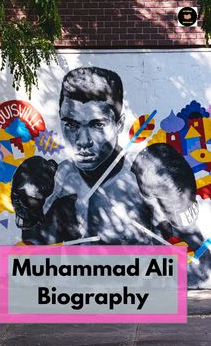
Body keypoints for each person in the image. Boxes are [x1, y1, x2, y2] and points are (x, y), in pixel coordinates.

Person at [11, 67, 198, 246]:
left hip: (138, 278)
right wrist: (28, 209)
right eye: (71, 125)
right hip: (74, 277)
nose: (83, 141)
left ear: (119, 124)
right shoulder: (56, 179)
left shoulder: (143, 171)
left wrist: (180, 205)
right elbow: (29, 253)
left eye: (97, 125)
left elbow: (190, 252)